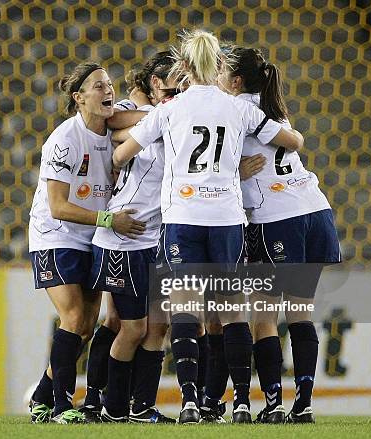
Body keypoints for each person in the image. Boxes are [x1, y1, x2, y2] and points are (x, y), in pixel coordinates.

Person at [112, 29, 304, 424]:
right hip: (227, 220)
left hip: (183, 219)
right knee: (233, 313)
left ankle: (189, 403)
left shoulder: (169, 110)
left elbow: (120, 156)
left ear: (183, 66)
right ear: (218, 65)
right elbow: (291, 140)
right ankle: (242, 405)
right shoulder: (241, 109)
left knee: (185, 310)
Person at [220, 46, 341, 424]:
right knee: (301, 313)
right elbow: (292, 140)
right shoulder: (274, 108)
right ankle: (302, 406)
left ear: (236, 80)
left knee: (265, 318)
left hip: (277, 218)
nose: (216, 77)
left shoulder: (237, 109)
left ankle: (272, 405)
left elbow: (291, 143)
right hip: (315, 210)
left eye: (221, 70)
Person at [27, 62, 145, 424]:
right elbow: (59, 206)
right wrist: (110, 220)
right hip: (55, 235)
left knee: (84, 328)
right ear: (78, 98)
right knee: (74, 316)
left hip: (91, 237)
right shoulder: (65, 139)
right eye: (98, 86)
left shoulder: (112, 134)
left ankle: (41, 398)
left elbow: (152, 118)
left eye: (109, 85)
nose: (108, 91)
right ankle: (63, 408)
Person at [88, 51, 180, 424]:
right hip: (124, 235)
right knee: (125, 325)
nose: (180, 94)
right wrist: (160, 120)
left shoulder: (174, 118)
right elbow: (111, 123)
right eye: (174, 87)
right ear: (155, 84)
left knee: (157, 325)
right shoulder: (132, 108)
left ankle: (139, 407)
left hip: (155, 236)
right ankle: (102, 403)